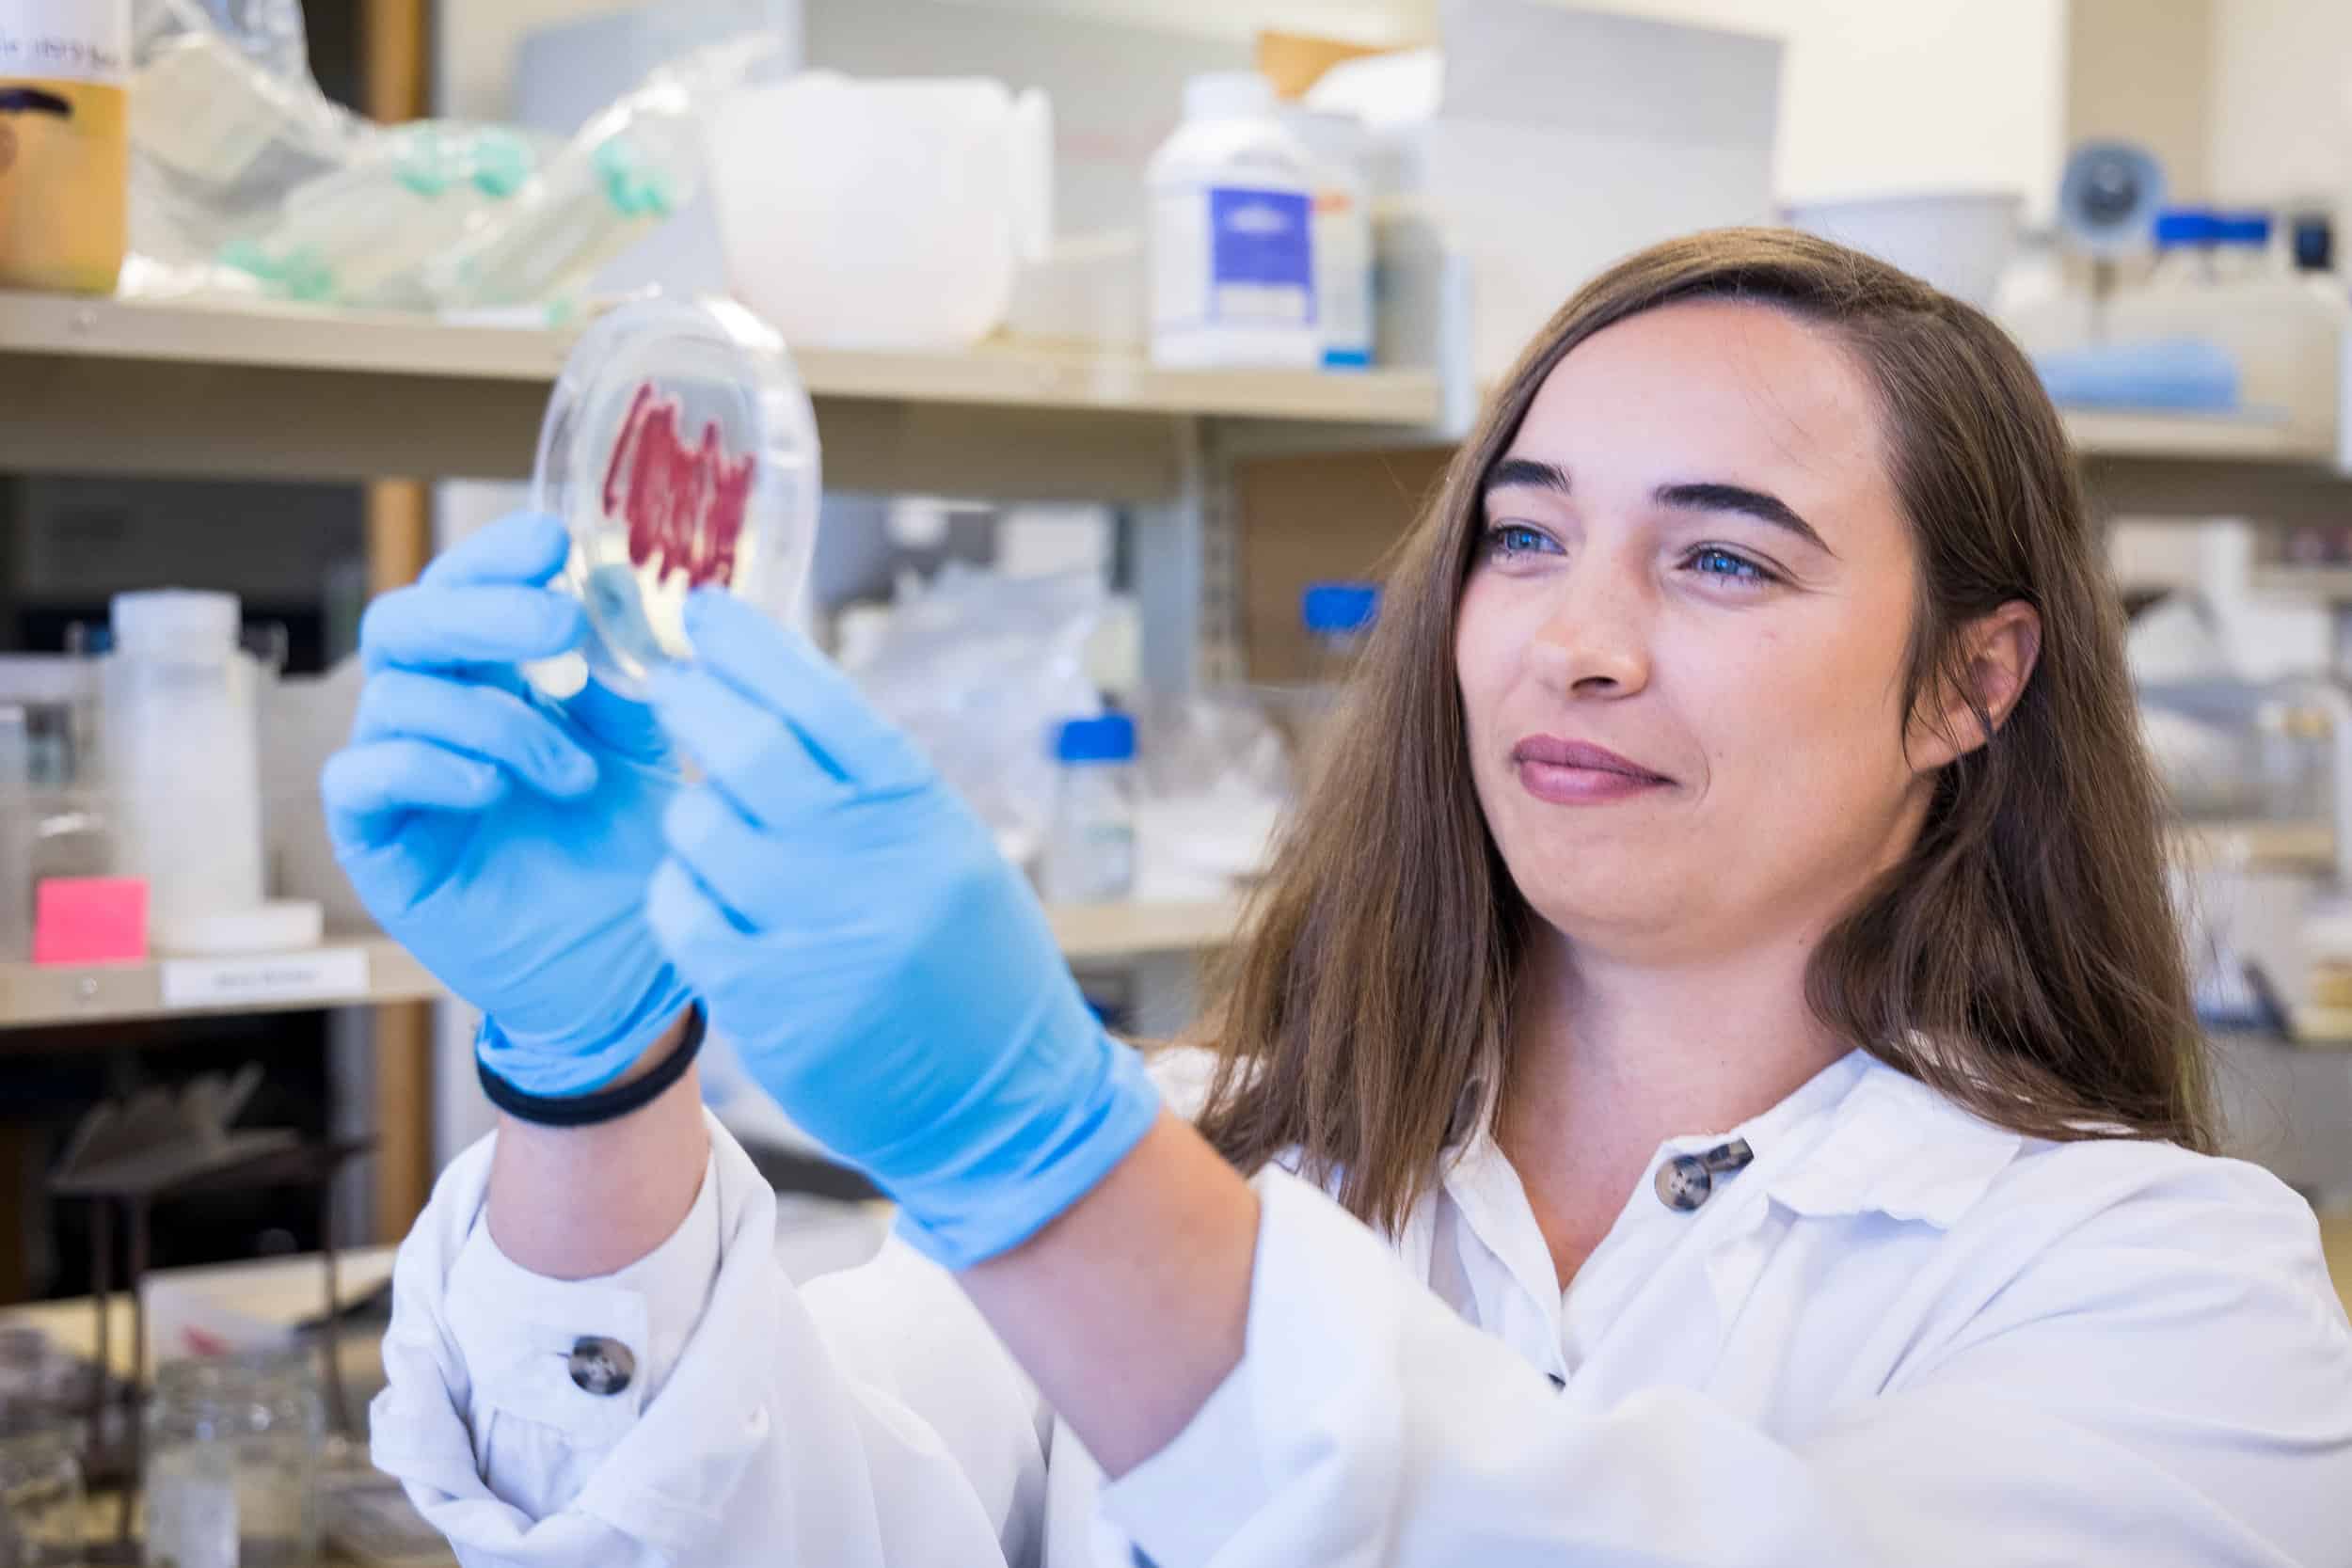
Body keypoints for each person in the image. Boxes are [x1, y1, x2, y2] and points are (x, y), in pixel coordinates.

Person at [328, 229, 2352, 1567]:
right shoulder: (1221, 1144)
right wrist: (592, 1075)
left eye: (1720, 561)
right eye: (1522, 540)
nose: (1576, 641)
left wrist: (1041, 1166)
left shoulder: (2161, 1285)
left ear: (1968, 683)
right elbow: (742, 1523)